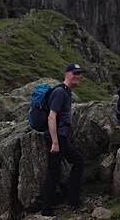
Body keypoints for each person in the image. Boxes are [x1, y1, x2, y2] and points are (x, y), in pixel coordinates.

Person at [40, 63, 85, 216]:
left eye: (79, 73)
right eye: (75, 73)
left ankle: (73, 199)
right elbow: (51, 116)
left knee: (78, 161)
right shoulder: (60, 92)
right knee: (54, 172)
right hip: (56, 137)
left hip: (62, 137)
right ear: (67, 74)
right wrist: (55, 142)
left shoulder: (67, 92)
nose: (78, 76)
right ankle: (46, 209)